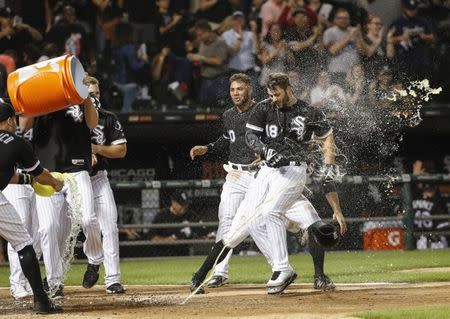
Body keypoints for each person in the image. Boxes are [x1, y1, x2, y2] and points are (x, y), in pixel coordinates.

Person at [190, 73, 346, 295]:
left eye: (277, 94)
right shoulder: (263, 108)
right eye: (271, 94)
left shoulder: (308, 111)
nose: (274, 98)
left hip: (292, 170)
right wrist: (265, 150)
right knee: (246, 224)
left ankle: (284, 269)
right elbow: (251, 137)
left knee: (272, 213)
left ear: (289, 89)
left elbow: (328, 136)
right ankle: (210, 273)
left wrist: (328, 164)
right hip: (264, 171)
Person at [30, 77, 99, 298]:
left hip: (76, 169)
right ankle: (54, 282)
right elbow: (23, 125)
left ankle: (95, 261)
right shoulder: (40, 99)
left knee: (88, 218)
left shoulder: (82, 99)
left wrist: (86, 96)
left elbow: (92, 123)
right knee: (48, 229)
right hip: (47, 172)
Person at [190, 73, 260, 288]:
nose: (235, 93)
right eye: (232, 90)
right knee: (226, 221)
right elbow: (227, 138)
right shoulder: (229, 115)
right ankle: (220, 272)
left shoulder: (261, 110)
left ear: (249, 89)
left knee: (262, 220)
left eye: (239, 89)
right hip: (236, 175)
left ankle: (283, 259)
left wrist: (265, 154)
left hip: (259, 174)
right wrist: (208, 148)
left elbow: (273, 135)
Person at [0, 99, 63, 314]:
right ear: (9, 120)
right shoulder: (17, 142)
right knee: (24, 244)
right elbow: (41, 174)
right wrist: (54, 182)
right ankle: (41, 301)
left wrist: (29, 182)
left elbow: (7, 176)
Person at [80, 76, 127, 294]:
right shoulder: (70, 118)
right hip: (76, 179)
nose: (94, 98)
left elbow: (121, 150)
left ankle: (113, 279)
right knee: (86, 221)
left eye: (96, 94)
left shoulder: (108, 118)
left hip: (98, 179)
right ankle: (94, 258)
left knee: (110, 226)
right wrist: (84, 153)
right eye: (90, 94)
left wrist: (97, 149)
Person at [3, 116, 42, 299]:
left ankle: (28, 282)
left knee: (35, 233)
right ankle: (18, 282)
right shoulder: (13, 111)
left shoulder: (45, 116)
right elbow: (24, 127)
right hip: (15, 182)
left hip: (27, 179)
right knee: (20, 233)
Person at [150, 190, 206, 256]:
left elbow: (203, 231)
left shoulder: (190, 215)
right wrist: (169, 239)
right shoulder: (162, 215)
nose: (184, 207)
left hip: (184, 255)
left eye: (186, 204)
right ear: (173, 203)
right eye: (181, 204)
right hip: (164, 255)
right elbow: (152, 238)